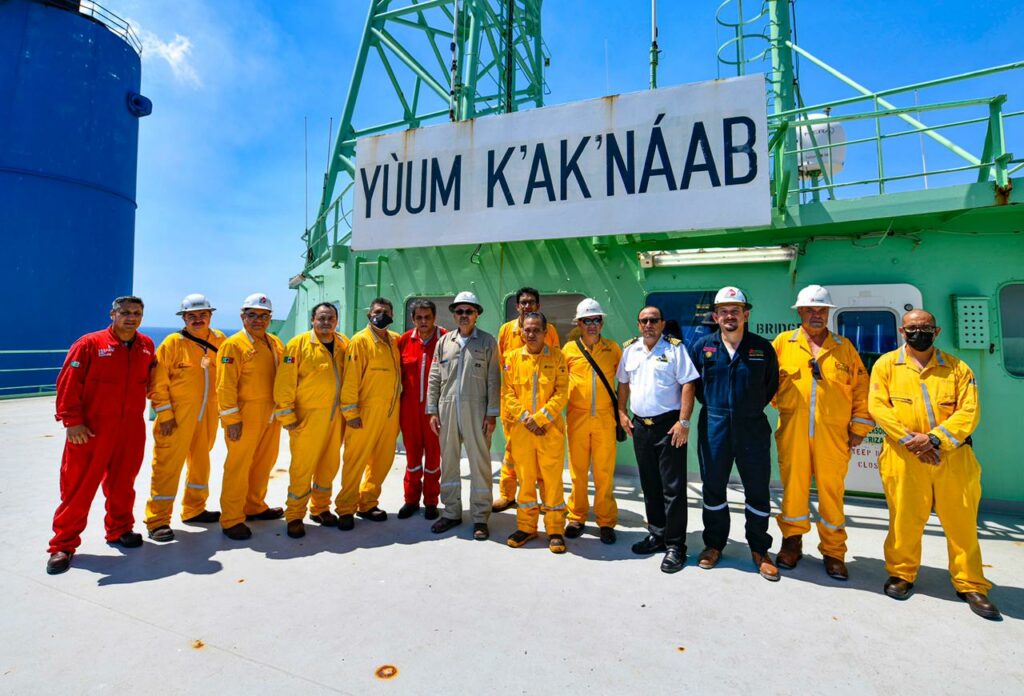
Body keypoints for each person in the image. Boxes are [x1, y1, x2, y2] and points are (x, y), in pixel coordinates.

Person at [868, 309, 1001, 620]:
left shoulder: (957, 368)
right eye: (913, 328)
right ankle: (902, 573)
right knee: (904, 519)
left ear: (937, 331)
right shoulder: (886, 365)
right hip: (904, 457)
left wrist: (936, 440)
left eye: (925, 327)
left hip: (953, 458)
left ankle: (971, 584)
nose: (919, 332)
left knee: (962, 523)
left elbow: (969, 412)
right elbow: (878, 406)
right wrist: (910, 441)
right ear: (902, 332)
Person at [46, 296, 156, 575]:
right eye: (126, 312)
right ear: (112, 314)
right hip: (91, 430)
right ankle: (63, 544)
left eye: (137, 313)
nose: (131, 317)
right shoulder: (89, 344)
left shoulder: (145, 346)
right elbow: (68, 383)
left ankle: (119, 529)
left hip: (130, 429)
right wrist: (72, 421)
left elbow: (154, 383)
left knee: (123, 483)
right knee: (78, 487)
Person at [772, 285, 873, 580]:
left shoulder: (844, 348)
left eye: (822, 310)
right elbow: (766, 383)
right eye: (810, 309)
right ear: (800, 312)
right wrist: (787, 408)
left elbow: (861, 389)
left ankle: (833, 552)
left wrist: (859, 428)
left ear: (828, 313)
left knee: (832, 494)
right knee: (793, 490)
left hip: (834, 435)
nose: (816, 314)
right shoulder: (782, 343)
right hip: (793, 433)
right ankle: (792, 542)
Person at [688, 287, 781, 581]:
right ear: (716, 316)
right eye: (724, 311)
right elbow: (694, 386)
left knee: (757, 489)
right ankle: (714, 545)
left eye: (736, 310)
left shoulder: (762, 348)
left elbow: (770, 385)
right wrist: (720, 409)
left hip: (752, 425)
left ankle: (759, 549)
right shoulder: (703, 347)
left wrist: (746, 408)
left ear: (746, 315)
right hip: (714, 425)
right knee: (713, 487)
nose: (730, 316)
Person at [616, 306, 698, 573]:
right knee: (649, 484)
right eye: (644, 321)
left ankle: (676, 545)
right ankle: (657, 534)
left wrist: (683, 423)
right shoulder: (630, 350)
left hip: (668, 427)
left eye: (653, 320)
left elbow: (689, 384)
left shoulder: (675, 349)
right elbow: (623, 383)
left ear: (662, 323)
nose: (648, 324)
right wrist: (621, 413)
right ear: (638, 325)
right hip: (640, 427)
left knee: (672, 489)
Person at [145, 293, 226, 542]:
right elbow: (158, 383)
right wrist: (165, 414)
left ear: (210, 316)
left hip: (208, 415)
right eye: (192, 316)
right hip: (177, 418)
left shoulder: (220, 340)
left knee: (201, 464)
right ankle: (157, 520)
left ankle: (194, 509)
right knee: (167, 467)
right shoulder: (172, 343)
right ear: (184, 318)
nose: (198, 319)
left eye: (203, 315)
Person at [426, 292, 501, 540]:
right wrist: (432, 410)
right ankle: (451, 512)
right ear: (454, 314)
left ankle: (480, 517)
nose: (464, 316)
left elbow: (493, 379)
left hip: (476, 410)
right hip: (447, 409)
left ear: (477, 314)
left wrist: (491, 414)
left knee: (480, 463)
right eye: (459, 311)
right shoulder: (444, 342)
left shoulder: (488, 342)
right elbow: (434, 376)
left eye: (469, 311)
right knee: (448, 461)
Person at [274, 302, 350, 539]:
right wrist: (286, 414)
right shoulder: (298, 345)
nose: (326, 322)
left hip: (335, 417)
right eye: (321, 318)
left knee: (328, 466)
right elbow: (285, 382)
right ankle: (295, 515)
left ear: (336, 321)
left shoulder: (343, 344)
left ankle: (320, 508)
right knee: (302, 468)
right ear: (313, 320)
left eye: (330, 318)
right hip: (307, 418)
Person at [217, 293, 285, 540]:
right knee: (238, 465)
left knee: (263, 462)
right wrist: (231, 420)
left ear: (270, 318)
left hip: (271, 412)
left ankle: (254, 506)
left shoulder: (275, 342)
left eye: (264, 316)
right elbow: (224, 385)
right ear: (242, 316)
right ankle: (231, 518)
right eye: (252, 315)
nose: (258, 320)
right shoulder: (233, 345)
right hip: (245, 414)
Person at [502, 312, 570, 553]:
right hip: (522, 432)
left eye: (536, 330)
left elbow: (562, 392)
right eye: (527, 330)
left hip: (549, 431)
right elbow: (508, 393)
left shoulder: (558, 357)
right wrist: (525, 418)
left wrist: (541, 418)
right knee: (526, 481)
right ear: (521, 331)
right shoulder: (511, 358)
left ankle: (555, 530)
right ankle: (526, 527)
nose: (530, 334)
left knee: (552, 482)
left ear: (545, 332)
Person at [337, 297, 402, 529]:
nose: (381, 315)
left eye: (386, 311)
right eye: (377, 311)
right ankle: (345, 508)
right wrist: (351, 412)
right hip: (364, 413)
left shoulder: (394, 341)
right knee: (355, 461)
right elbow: (351, 380)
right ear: (369, 315)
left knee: (382, 462)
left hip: (390, 413)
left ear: (392, 314)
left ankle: (368, 502)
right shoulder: (360, 341)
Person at [494, 287, 560, 512]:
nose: (527, 306)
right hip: (513, 408)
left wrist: (541, 417)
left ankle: (543, 500)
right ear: (516, 306)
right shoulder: (505, 331)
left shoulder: (549, 330)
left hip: (541, 408)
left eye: (531, 302)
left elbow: (555, 366)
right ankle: (507, 494)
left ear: (538, 306)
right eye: (522, 302)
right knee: (511, 453)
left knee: (542, 458)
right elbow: (500, 368)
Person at [562, 298, 622, 544]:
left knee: (604, 472)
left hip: (605, 418)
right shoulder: (568, 350)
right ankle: (576, 516)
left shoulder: (613, 349)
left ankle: (606, 521)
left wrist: (623, 412)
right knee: (577, 471)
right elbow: (558, 381)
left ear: (602, 322)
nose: (592, 325)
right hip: (577, 417)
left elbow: (626, 382)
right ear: (579, 323)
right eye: (587, 321)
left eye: (596, 320)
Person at [397, 299, 447, 520]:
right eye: (419, 317)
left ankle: (430, 502)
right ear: (413, 319)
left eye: (428, 317)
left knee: (434, 459)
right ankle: (410, 500)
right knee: (412, 458)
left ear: (434, 317)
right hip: (409, 411)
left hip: (434, 412)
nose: (424, 321)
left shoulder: (446, 339)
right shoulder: (405, 341)